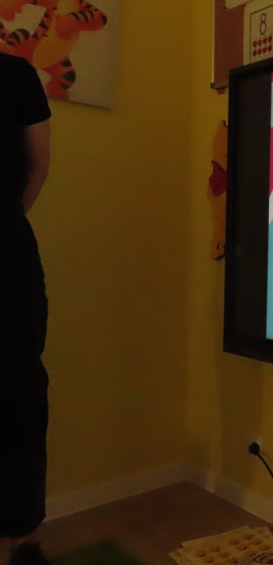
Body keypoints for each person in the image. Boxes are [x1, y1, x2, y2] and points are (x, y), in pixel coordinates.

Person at [0, 53, 52, 565]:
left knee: (18, 396)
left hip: (6, 260)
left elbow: (37, 167)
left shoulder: (14, 75)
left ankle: (20, 541)